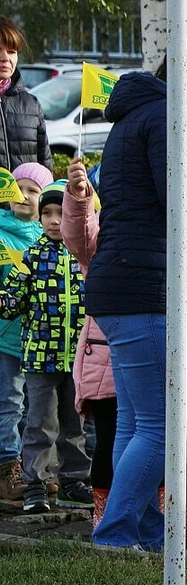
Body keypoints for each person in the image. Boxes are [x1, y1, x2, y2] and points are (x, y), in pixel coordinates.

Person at [87, 34, 187, 551]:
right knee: (169, 424)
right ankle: (112, 538)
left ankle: (147, 534)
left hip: (121, 284)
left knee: (137, 422)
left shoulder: (136, 115)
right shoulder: (172, 117)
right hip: (150, 288)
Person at [0, 181, 90, 513]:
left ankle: (73, 481)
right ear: (39, 219)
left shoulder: (83, 256)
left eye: (61, 212)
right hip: (40, 358)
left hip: (78, 359)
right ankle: (35, 483)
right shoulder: (30, 257)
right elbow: (11, 303)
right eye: (47, 213)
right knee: (39, 423)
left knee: (75, 425)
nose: (54, 220)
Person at [60, 160, 117, 529]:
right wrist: (81, 197)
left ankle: (150, 516)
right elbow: (80, 236)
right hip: (105, 364)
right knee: (109, 443)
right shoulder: (104, 237)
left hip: (152, 359)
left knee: (153, 443)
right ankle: (105, 517)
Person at [0, 162, 51, 502]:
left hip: (38, 339)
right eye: (17, 188)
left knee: (37, 410)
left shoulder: (48, 237)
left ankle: (36, 472)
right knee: (9, 402)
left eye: (33, 191)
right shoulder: (1, 233)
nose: (24, 196)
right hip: (5, 336)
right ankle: (7, 469)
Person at [0, 17, 53, 170]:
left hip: (25, 195)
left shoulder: (31, 105)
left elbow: (44, 169)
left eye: (12, 52)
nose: (6, 58)